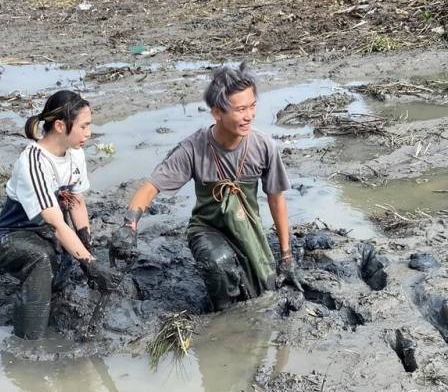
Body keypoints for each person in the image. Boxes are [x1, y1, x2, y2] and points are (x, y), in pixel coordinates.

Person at [109, 64, 303, 312]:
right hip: (206, 229)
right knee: (219, 264)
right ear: (217, 113)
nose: (249, 116)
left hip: (247, 228)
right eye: (240, 109)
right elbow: (151, 187)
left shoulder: (264, 147)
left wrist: (286, 257)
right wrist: (129, 224)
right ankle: (221, 317)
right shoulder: (193, 148)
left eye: (252, 106)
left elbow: (277, 200)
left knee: (263, 290)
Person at [0, 90, 122, 340]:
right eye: (83, 126)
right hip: (11, 235)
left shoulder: (75, 154)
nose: (88, 133)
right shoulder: (34, 161)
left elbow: (77, 202)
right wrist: (90, 265)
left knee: (61, 267)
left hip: (48, 233)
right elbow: (57, 222)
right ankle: (28, 341)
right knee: (41, 260)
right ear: (60, 125)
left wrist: (86, 248)